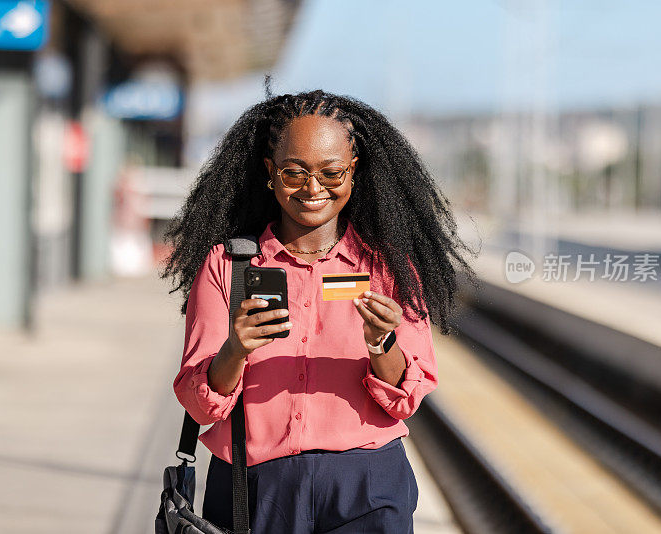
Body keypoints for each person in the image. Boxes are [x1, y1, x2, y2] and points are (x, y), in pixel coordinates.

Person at [161, 89, 477, 533]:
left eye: (331, 172)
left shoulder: (387, 268)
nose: (313, 188)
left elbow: (407, 397)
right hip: (253, 488)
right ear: (270, 173)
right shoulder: (229, 265)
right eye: (294, 172)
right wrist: (234, 349)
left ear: (354, 174)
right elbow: (200, 404)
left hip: (367, 485)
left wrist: (380, 343)